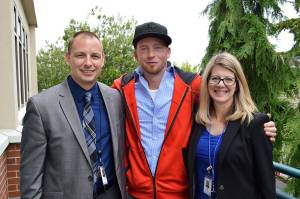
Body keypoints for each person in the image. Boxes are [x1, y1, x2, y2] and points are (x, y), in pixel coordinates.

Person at [113, 22, 277, 199]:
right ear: (135, 54)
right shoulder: (121, 88)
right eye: (144, 48)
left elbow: (226, 97)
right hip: (137, 193)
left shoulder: (192, 85)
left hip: (179, 193)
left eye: (158, 48)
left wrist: (260, 124)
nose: (151, 54)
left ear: (168, 52)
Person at [20, 31, 126, 199]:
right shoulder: (41, 107)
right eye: (80, 55)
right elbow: (30, 177)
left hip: (111, 193)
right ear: (68, 57)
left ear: (103, 60)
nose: (88, 63)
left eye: (95, 56)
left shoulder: (115, 99)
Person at [186, 52, 276, 199]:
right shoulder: (197, 120)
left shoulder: (254, 124)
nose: (221, 84)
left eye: (228, 79)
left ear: (238, 85)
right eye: (215, 78)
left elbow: (266, 183)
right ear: (207, 82)